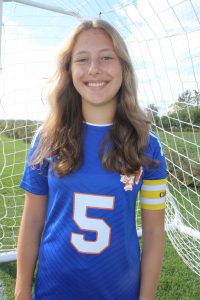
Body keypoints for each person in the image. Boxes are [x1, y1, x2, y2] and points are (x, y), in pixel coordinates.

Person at [15, 19, 166, 300]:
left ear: (123, 66)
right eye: (82, 59)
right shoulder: (47, 139)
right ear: (69, 69)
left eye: (106, 57)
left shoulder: (148, 145)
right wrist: (22, 290)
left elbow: (155, 233)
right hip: (52, 292)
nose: (94, 68)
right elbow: (33, 220)